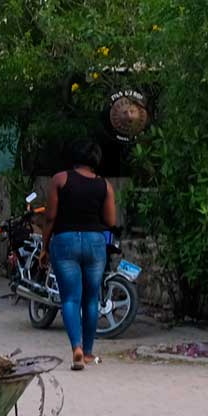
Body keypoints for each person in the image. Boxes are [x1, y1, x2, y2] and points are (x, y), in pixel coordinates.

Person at [34, 143, 118, 370]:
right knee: (91, 299)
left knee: (70, 298)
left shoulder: (60, 179)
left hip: (65, 241)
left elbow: (50, 217)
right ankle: (89, 352)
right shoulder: (105, 186)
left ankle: (76, 349)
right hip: (94, 243)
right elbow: (110, 221)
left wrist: (44, 247)